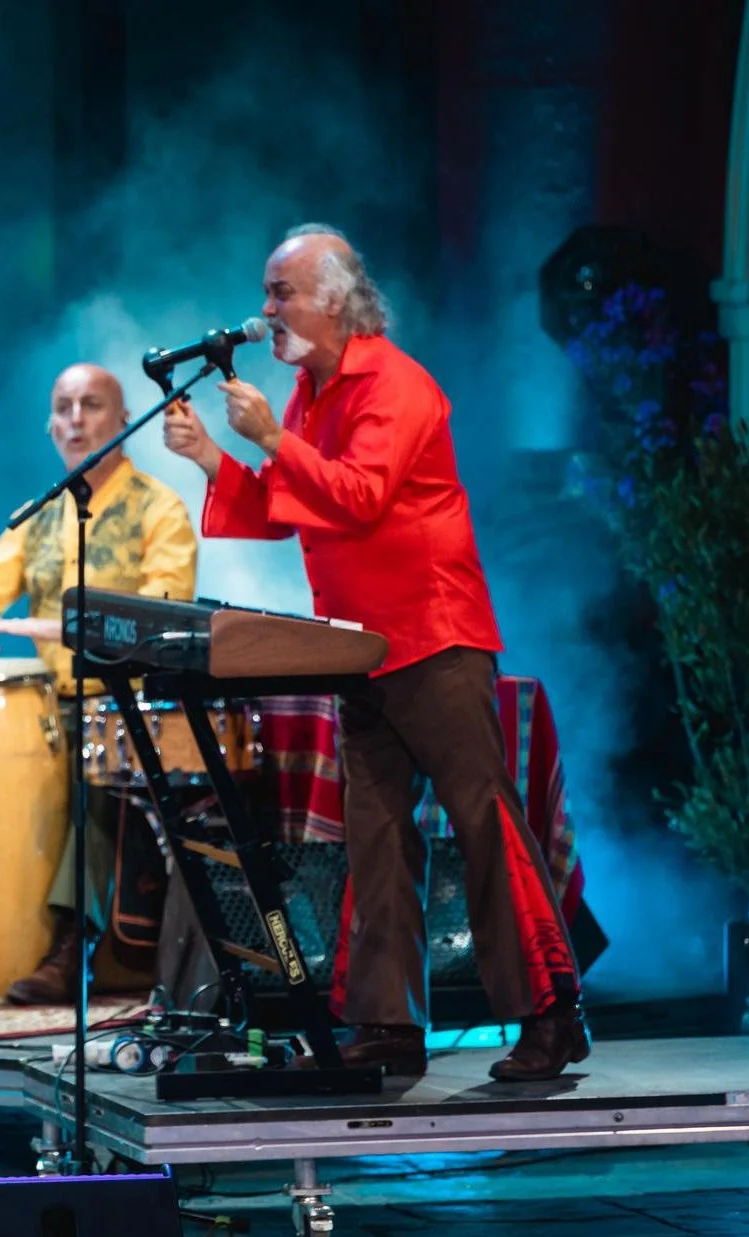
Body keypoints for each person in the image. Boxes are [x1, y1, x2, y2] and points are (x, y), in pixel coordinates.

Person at [160, 223, 587, 1082]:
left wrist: (272, 442)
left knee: (484, 823)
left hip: (433, 636)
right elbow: (287, 510)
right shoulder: (308, 393)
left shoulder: (396, 383)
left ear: (335, 300)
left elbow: (357, 497)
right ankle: (388, 1023)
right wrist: (211, 457)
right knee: (379, 841)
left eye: (281, 292)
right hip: (361, 647)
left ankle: (551, 1014)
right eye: (268, 291)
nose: (266, 310)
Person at [0, 362, 197, 1005]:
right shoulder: (38, 517)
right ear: (50, 426)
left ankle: (70, 946)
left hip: (123, 710)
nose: (75, 420)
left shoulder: (159, 509)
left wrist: (73, 627)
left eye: (92, 405)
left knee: (93, 786)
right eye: (63, 408)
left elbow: (167, 612)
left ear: (124, 420)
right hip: (47, 707)